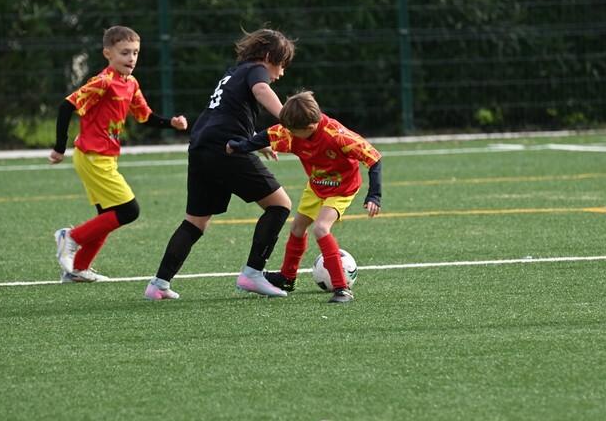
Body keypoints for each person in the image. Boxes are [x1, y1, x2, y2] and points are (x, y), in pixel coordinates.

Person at [144, 28, 296, 300]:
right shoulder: (256, 70)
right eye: (281, 64)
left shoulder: (233, 73)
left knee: (195, 222)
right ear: (269, 57)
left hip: (200, 146)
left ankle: (159, 284)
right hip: (225, 148)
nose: (281, 73)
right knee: (280, 205)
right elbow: (261, 89)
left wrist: (256, 141)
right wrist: (290, 117)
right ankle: (253, 274)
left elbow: (226, 113)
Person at [49, 25, 189, 283]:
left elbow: (145, 116)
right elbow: (66, 105)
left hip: (105, 157)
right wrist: (60, 147)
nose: (131, 58)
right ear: (108, 54)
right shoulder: (103, 82)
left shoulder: (130, 83)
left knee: (108, 216)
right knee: (128, 211)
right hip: (92, 156)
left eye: (135, 52)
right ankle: (70, 237)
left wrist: (171, 123)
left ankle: (78, 269)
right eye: (125, 52)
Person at [227, 90, 382, 303]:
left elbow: (374, 159)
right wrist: (240, 147)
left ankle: (342, 289)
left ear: (310, 127)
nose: (286, 133)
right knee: (297, 228)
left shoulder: (338, 136)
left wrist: (374, 196)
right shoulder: (293, 131)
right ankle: (287, 278)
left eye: (291, 131)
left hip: (342, 188)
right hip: (316, 185)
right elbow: (266, 136)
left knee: (320, 228)